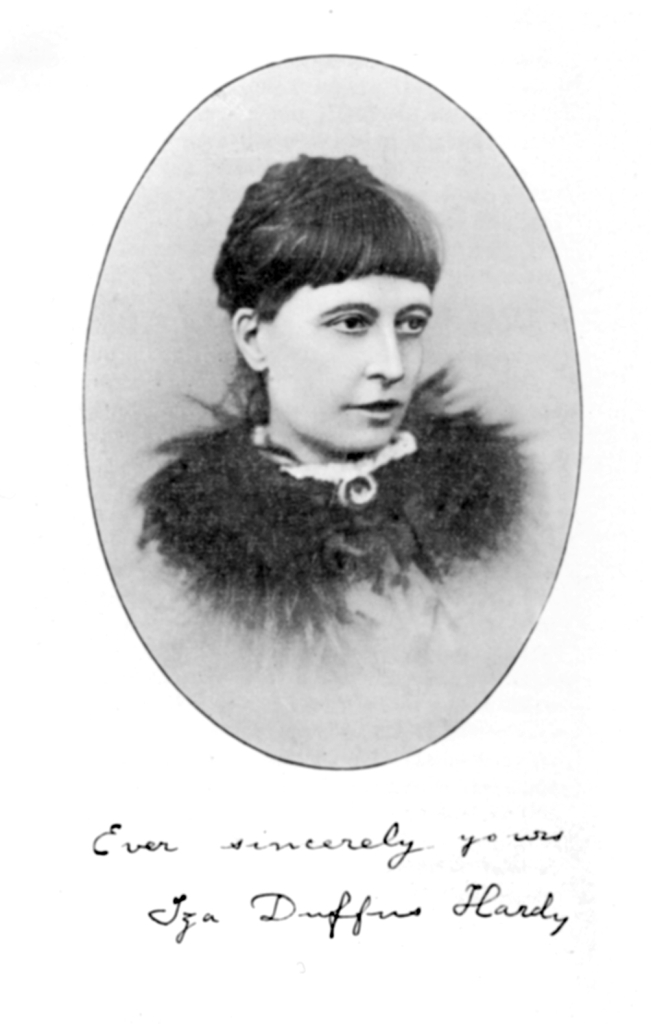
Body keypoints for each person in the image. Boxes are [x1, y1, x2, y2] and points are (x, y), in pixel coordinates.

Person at [134, 155, 531, 762]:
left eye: (411, 324)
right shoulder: (184, 557)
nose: (391, 365)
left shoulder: (496, 510)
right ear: (254, 338)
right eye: (351, 323)